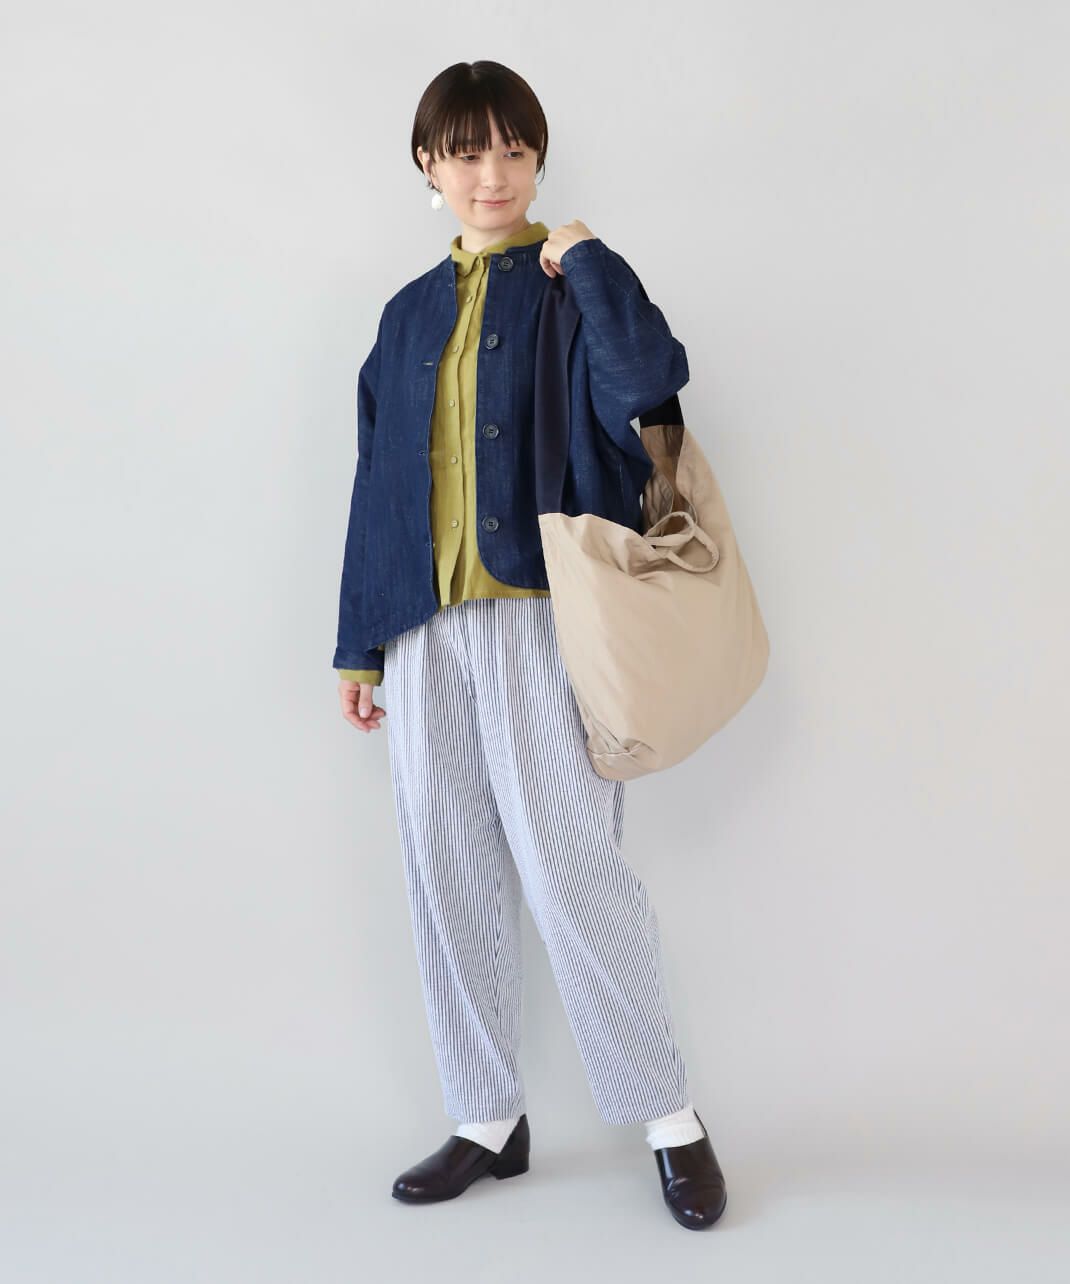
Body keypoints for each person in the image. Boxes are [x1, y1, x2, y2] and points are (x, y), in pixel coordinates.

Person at [333, 60, 727, 1231]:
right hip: (423, 630)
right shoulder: (405, 316)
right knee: (444, 873)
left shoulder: (568, 287)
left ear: (538, 160)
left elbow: (649, 385)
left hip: (546, 621)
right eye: (466, 153)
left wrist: (590, 260)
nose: (491, 174)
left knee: (570, 873)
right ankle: (484, 1119)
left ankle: (668, 1119)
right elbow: (375, 488)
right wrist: (359, 647)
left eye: (512, 150)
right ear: (428, 165)